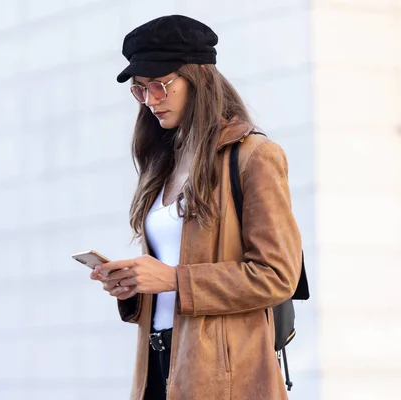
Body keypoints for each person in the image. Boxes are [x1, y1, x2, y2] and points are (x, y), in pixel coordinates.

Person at [90, 15, 303, 400]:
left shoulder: (254, 157)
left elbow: (277, 275)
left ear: (199, 76)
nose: (151, 100)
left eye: (160, 85)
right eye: (140, 91)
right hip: (158, 365)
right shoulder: (165, 161)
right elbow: (171, 270)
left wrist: (172, 278)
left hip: (223, 377)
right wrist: (133, 288)